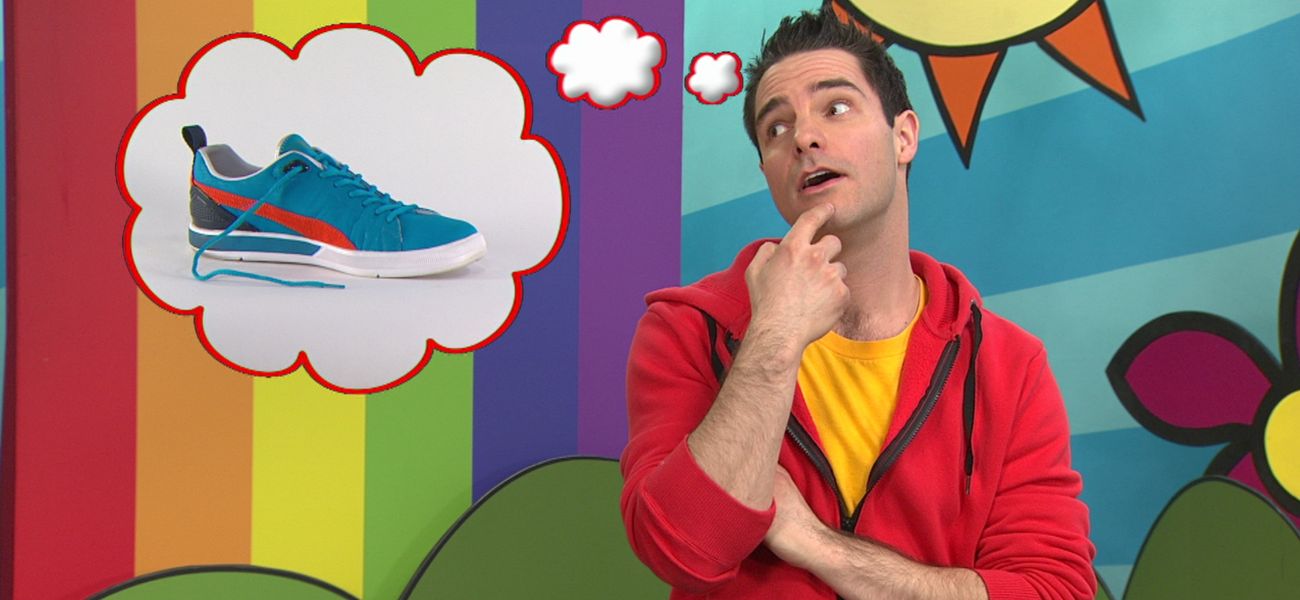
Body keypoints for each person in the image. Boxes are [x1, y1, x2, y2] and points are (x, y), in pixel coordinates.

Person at [620, 8, 1096, 600]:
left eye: (836, 107)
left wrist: (813, 542)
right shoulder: (687, 329)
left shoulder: (1009, 364)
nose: (803, 138)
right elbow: (682, 549)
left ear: (904, 137)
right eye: (776, 128)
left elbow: (1053, 590)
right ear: (767, 171)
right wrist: (775, 334)